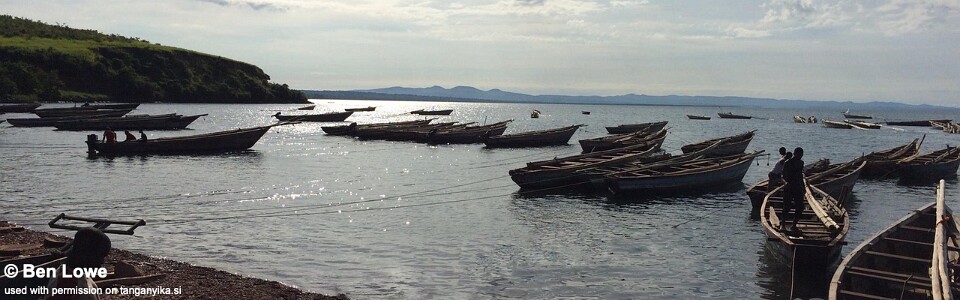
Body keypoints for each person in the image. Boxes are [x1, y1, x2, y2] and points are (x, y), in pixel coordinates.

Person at [46, 228, 111, 300]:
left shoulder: (64, 271)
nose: (102, 262)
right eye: (99, 257)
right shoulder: (72, 287)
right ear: (85, 256)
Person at [780, 147, 806, 233]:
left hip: (798, 186)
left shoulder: (801, 163)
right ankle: (782, 225)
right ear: (795, 154)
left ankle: (794, 225)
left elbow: (800, 176)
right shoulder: (788, 162)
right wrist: (785, 183)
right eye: (798, 154)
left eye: (801, 155)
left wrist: (804, 187)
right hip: (789, 186)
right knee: (786, 206)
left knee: (800, 207)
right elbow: (783, 176)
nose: (800, 156)